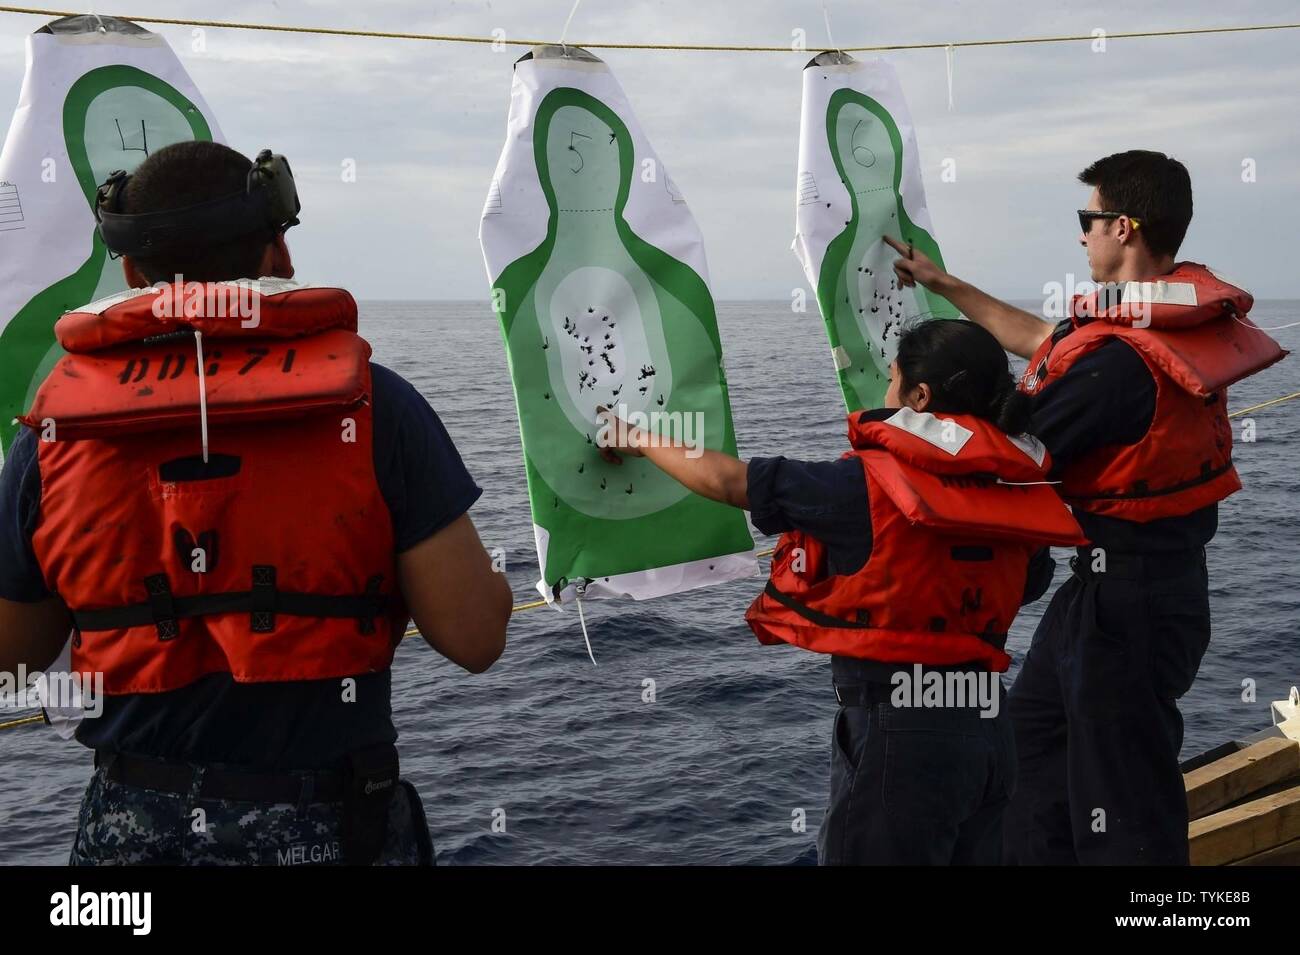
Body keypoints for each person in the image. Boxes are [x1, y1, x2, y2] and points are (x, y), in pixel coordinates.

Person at [0, 141, 513, 865]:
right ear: (276, 253)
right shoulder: (375, 408)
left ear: (130, 271)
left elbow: (11, 657)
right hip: (332, 828)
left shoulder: (51, 436)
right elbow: (475, 636)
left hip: (131, 835)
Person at [886, 150, 1286, 864]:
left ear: (1122, 226)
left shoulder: (1115, 366)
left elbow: (1010, 460)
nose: (1082, 236)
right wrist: (946, 286)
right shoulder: (1142, 330)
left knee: (1126, 803)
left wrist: (898, 425)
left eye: (1088, 219)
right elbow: (1045, 340)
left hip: (1130, 607)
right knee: (1034, 750)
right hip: (1111, 591)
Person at [598, 319, 1086, 864]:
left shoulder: (867, 487)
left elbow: (729, 481)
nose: (885, 392)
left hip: (901, 739)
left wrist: (637, 437)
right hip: (990, 733)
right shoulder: (1017, 489)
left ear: (919, 397)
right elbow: (1029, 584)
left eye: (892, 378)